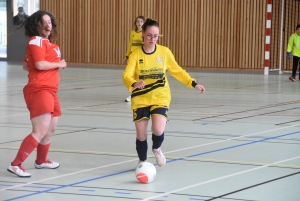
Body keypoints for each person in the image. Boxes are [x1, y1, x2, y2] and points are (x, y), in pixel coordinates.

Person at [122, 19, 205, 167]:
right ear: (142, 34)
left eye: (156, 36)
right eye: (149, 35)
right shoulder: (135, 55)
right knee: (141, 134)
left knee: (158, 129)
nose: (152, 39)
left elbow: (177, 70)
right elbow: (127, 75)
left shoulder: (164, 52)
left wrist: (193, 83)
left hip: (161, 95)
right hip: (141, 97)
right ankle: (143, 162)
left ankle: (157, 148)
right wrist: (134, 83)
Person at [7, 10, 67, 177]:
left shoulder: (49, 44)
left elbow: (27, 65)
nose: (48, 25)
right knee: (40, 130)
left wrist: (52, 64)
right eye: (44, 22)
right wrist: (58, 64)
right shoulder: (36, 41)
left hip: (51, 90)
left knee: (51, 129)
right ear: (37, 25)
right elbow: (39, 65)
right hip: (40, 89)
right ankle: (16, 164)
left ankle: (41, 161)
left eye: (50, 22)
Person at [123, 16, 145, 102]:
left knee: (139, 75)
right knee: (131, 75)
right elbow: (130, 45)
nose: (139, 23)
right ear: (135, 23)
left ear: (143, 23)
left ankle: (141, 93)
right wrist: (127, 56)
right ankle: (133, 93)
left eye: (141, 21)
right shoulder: (132, 33)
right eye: (138, 22)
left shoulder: (144, 33)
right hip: (132, 57)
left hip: (140, 57)